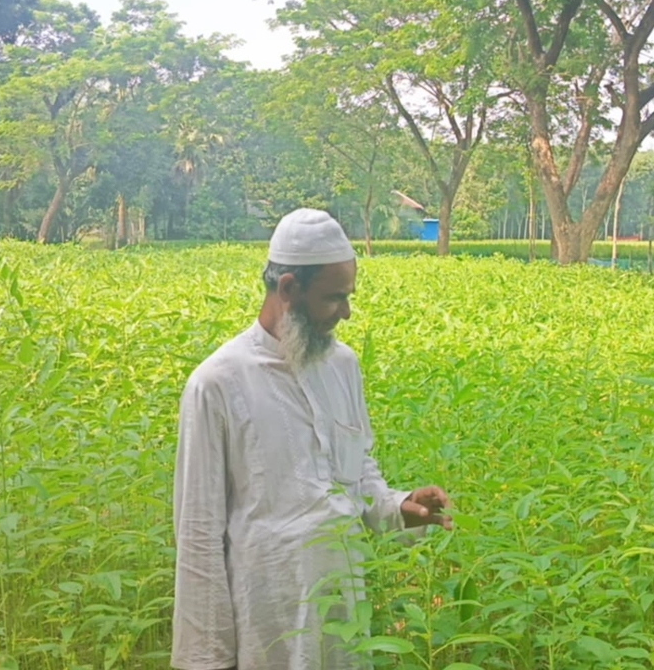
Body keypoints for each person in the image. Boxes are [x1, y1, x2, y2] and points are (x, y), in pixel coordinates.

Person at [171, 208, 452, 670]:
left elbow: (356, 472)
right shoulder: (217, 383)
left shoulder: (343, 365)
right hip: (268, 617)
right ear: (288, 289)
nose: (346, 312)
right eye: (333, 298)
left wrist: (397, 505)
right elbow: (198, 533)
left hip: (345, 607)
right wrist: (205, 660)